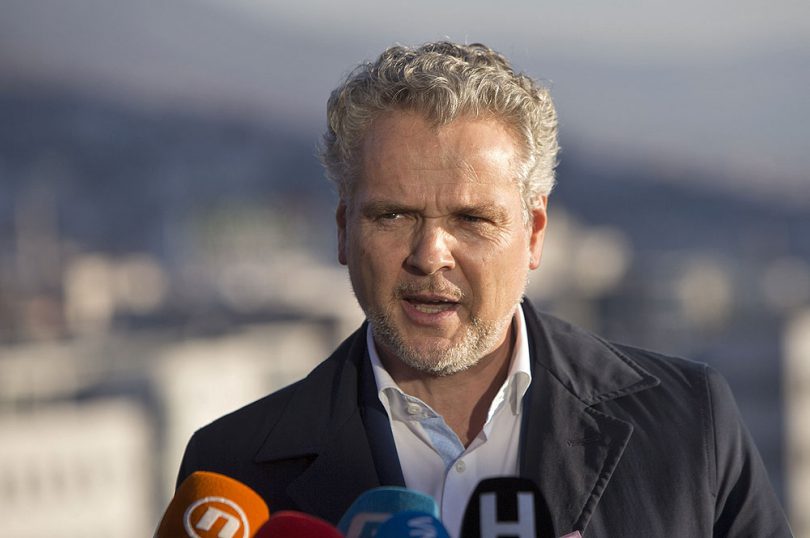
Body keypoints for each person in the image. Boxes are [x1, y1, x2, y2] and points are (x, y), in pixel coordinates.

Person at [176, 41, 792, 536]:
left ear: (534, 234)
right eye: (393, 215)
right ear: (343, 230)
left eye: (472, 219)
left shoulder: (689, 424)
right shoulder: (232, 470)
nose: (429, 254)